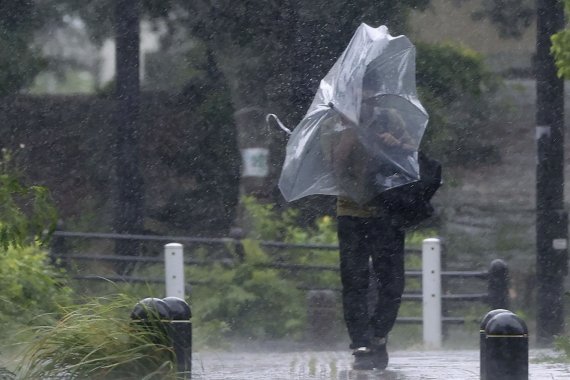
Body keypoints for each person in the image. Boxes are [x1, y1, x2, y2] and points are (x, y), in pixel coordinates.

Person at [328, 105, 413, 371]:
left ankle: (378, 335)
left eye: (368, 92)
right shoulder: (333, 123)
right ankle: (361, 344)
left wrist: (394, 143)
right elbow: (332, 168)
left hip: (386, 209)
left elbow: (412, 155)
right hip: (350, 211)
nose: (363, 98)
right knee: (354, 279)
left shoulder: (389, 116)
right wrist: (350, 136)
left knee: (392, 281)